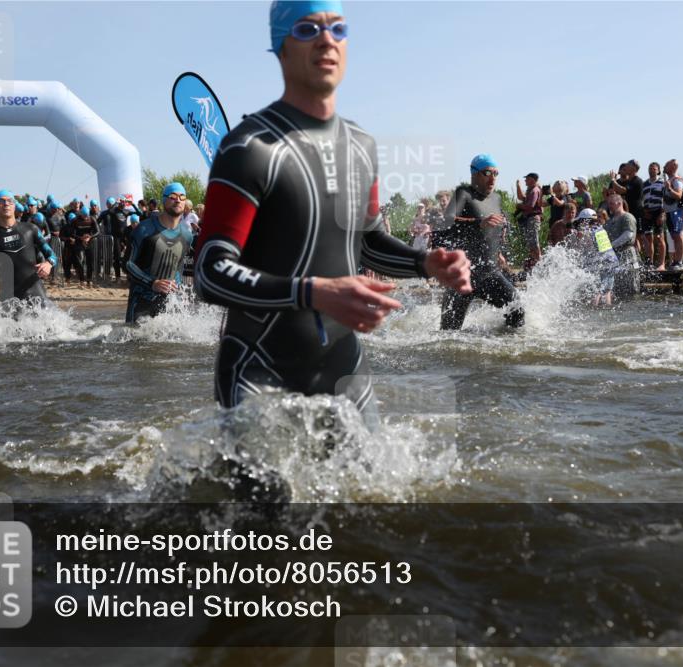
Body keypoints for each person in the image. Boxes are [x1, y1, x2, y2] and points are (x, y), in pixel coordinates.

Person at [193, 0, 471, 416]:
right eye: (308, 29)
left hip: (344, 368)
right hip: (259, 369)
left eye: (337, 29)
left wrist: (426, 263)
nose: (326, 39)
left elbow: (368, 242)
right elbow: (209, 272)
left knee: (378, 482)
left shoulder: (361, 147)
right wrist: (314, 291)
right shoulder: (249, 148)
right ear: (281, 46)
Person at [439, 155, 522, 330]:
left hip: (489, 274)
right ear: (474, 173)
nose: (493, 178)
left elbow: (493, 229)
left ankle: (504, 351)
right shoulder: (464, 193)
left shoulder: (496, 199)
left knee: (517, 311)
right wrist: (478, 223)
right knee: (447, 334)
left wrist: (498, 252)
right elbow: (446, 222)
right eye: (487, 173)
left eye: (496, 173)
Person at [125, 183, 195, 322]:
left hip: (169, 303)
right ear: (164, 200)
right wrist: (152, 283)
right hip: (141, 301)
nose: (178, 200)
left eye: (182, 197)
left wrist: (179, 291)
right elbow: (127, 264)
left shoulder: (187, 236)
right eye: (173, 196)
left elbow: (178, 268)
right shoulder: (145, 229)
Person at [0, 190, 57, 303]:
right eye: (1, 201)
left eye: (9, 201)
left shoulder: (31, 229)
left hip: (35, 292)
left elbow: (52, 255)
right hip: (8, 296)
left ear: (14, 206)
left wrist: (48, 264)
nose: (6, 204)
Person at [603, 193, 640, 299]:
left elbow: (628, 235)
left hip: (628, 256)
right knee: (617, 289)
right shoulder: (609, 222)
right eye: (608, 203)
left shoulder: (627, 217)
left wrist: (610, 246)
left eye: (611, 203)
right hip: (614, 257)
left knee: (631, 287)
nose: (609, 206)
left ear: (619, 203)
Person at [639, 162, 666, 270]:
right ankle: (649, 262)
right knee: (648, 238)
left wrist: (662, 214)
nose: (651, 170)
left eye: (654, 169)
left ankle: (661, 264)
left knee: (659, 238)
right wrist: (644, 211)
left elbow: (666, 199)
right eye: (650, 168)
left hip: (658, 211)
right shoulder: (644, 184)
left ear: (658, 170)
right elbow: (641, 200)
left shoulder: (662, 182)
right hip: (647, 212)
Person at [515, 172, 543, 272]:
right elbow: (521, 197)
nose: (525, 180)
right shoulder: (530, 190)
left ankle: (540, 266)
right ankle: (534, 266)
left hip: (533, 219)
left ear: (532, 179)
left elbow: (530, 206)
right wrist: (518, 185)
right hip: (530, 219)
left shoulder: (534, 190)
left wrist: (519, 206)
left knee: (534, 244)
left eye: (527, 178)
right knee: (531, 244)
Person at [662, 159, 683, 269]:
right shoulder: (669, 179)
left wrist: (669, 188)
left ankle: (679, 262)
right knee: (674, 236)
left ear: (672, 167)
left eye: (666, 165)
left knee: (678, 236)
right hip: (669, 212)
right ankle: (676, 261)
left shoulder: (677, 180)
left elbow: (679, 196)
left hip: (676, 211)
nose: (664, 167)